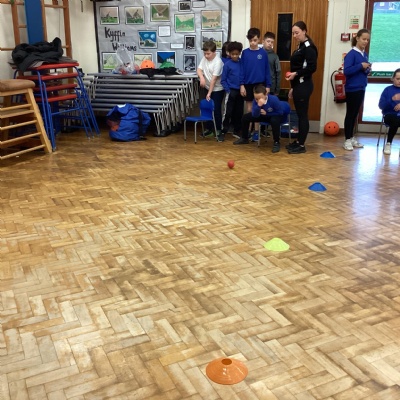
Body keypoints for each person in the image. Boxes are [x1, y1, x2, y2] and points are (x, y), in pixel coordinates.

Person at [285, 21, 318, 154]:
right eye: (293, 33)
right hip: (298, 85)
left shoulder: (309, 48)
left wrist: (296, 74)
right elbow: (298, 66)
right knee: (299, 114)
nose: (294, 36)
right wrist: (293, 87)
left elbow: (311, 68)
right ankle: (298, 141)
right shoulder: (300, 46)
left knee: (303, 115)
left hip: (304, 85)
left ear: (304, 31)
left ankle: (302, 145)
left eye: (297, 33)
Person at [240, 27, 272, 142]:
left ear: (259, 39)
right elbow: (242, 70)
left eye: (255, 40)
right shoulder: (245, 53)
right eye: (251, 40)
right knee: (249, 108)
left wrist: (268, 85)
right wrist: (241, 85)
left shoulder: (263, 53)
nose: (253, 43)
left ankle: (257, 132)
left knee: (258, 107)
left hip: (260, 85)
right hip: (248, 84)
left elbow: (267, 70)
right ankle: (248, 131)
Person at [233, 84, 285, 153]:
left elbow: (280, 112)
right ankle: (244, 138)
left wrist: (267, 113)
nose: (258, 100)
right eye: (256, 98)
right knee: (245, 117)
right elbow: (254, 115)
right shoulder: (255, 101)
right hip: (262, 116)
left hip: (273, 115)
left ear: (266, 94)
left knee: (274, 120)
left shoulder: (273, 99)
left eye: (260, 98)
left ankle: (276, 142)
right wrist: (258, 106)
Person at [342, 28, 371, 151]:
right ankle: (347, 139)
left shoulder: (364, 54)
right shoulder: (351, 54)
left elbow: (363, 71)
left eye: (367, 40)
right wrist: (360, 66)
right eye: (364, 39)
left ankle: (352, 137)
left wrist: (367, 69)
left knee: (355, 114)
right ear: (357, 38)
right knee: (350, 114)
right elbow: (347, 71)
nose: (365, 42)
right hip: (352, 89)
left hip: (361, 87)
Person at [197, 40, 225, 140]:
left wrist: (209, 93)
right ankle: (209, 129)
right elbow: (199, 69)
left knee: (216, 109)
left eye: (208, 53)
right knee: (207, 109)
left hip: (217, 89)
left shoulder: (218, 62)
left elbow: (214, 79)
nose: (206, 55)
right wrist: (202, 77)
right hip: (207, 87)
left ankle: (218, 130)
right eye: (204, 53)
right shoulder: (204, 59)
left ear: (214, 52)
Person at [221, 41, 244, 141]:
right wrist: (228, 90)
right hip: (231, 91)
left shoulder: (242, 63)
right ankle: (223, 131)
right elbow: (223, 80)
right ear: (229, 53)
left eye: (236, 54)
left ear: (239, 53)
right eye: (232, 54)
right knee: (228, 112)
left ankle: (237, 130)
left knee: (239, 112)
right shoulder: (227, 65)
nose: (234, 56)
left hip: (240, 91)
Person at [378, 68, 400, 155]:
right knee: (395, 121)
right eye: (398, 79)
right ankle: (388, 143)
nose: (399, 81)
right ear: (393, 79)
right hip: (389, 115)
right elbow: (381, 106)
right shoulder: (387, 90)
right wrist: (392, 99)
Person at [263, 32, 281, 96]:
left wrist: (277, 89)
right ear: (263, 41)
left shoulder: (275, 56)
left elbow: (278, 72)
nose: (270, 43)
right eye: (268, 41)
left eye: (272, 42)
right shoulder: (258, 54)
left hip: (271, 87)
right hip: (259, 86)